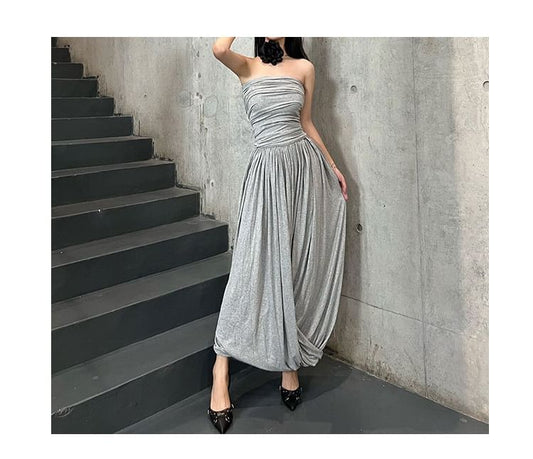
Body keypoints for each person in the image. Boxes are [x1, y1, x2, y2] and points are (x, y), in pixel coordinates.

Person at [208, 37, 348, 433]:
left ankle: (289, 363)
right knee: (251, 267)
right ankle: (221, 366)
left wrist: (332, 166)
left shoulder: (305, 69)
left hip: (302, 172)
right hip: (265, 175)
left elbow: (306, 123)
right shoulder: (247, 66)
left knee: (295, 262)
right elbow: (218, 49)